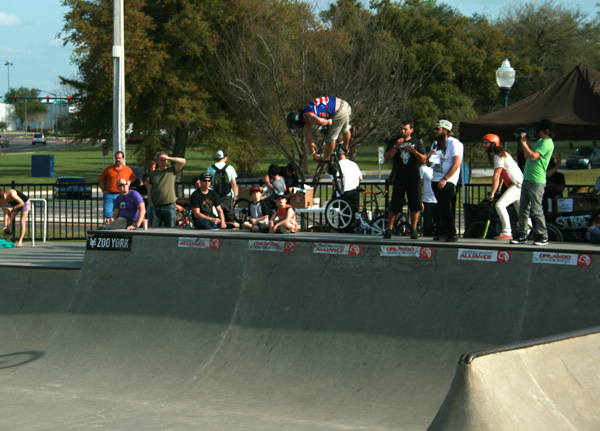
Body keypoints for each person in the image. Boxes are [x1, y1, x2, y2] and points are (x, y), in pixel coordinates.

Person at [510, 119, 555, 245]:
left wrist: (524, 144)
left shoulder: (547, 143)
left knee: (536, 209)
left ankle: (543, 235)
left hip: (537, 180)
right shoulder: (541, 141)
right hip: (528, 178)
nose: (537, 132)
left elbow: (534, 157)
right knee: (523, 208)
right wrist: (526, 145)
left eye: (540, 130)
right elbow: (527, 156)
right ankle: (522, 234)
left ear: (546, 131)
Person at [383, 121, 427, 239]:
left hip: (413, 178)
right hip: (399, 178)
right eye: (401, 129)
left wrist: (413, 151)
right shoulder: (394, 141)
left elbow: (424, 159)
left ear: (411, 130)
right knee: (395, 205)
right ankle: (389, 229)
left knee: (415, 205)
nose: (402, 131)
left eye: (405, 129)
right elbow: (387, 158)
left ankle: (413, 229)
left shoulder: (416, 142)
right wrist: (396, 146)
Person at [482, 133, 524, 240]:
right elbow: (501, 175)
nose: (484, 145)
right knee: (521, 212)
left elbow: (496, 175)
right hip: (518, 185)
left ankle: (506, 232)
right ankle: (528, 232)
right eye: (484, 142)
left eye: (486, 143)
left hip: (516, 185)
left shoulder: (498, 155)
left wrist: (492, 194)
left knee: (500, 205)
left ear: (493, 144)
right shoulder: (500, 154)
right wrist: (498, 189)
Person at [427, 119, 463, 242]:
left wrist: (445, 179)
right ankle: (442, 232)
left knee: (447, 208)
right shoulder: (436, 144)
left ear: (445, 130)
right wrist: (431, 156)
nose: (435, 131)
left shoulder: (454, 143)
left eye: (438, 129)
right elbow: (429, 164)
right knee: (441, 208)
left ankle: (451, 233)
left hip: (447, 181)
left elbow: (457, 163)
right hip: (436, 178)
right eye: (435, 129)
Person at [286, 97, 352, 163]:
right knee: (345, 129)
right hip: (344, 104)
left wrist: (328, 122)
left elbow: (319, 121)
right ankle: (345, 147)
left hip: (338, 111)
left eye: (297, 127)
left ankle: (326, 158)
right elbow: (309, 136)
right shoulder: (306, 113)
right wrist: (313, 152)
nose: (299, 128)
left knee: (331, 138)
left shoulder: (309, 116)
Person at [146, 151, 187, 227]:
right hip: (156, 205)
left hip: (169, 205)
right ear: (157, 161)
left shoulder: (171, 170)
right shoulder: (153, 174)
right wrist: (151, 204)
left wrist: (168, 157)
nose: (163, 162)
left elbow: (183, 161)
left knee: (170, 229)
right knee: (155, 229)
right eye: (161, 160)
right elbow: (149, 190)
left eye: (165, 160)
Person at [98, 151, 137, 223]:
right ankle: (109, 224)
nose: (118, 160)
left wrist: (129, 182)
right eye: (116, 158)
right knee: (108, 211)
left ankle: (117, 225)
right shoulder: (108, 169)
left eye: (119, 158)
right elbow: (101, 180)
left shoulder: (127, 169)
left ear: (123, 159)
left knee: (121, 211)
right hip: (109, 194)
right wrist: (103, 190)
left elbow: (134, 177)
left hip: (121, 195)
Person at [207, 150, 238, 224]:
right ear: (225, 158)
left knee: (217, 214)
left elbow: (208, 183)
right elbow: (234, 184)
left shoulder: (210, 168)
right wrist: (235, 196)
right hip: (227, 195)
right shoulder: (230, 168)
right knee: (229, 214)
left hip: (215, 195)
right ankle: (230, 230)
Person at [333, 147, 363, 214]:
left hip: (343, 193)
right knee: (354, 213)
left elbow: (334, 182)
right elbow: (360, 178)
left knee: (344, 215)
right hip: (355, 191)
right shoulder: (353, 164)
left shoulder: (336, 165)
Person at [420, 164, 442, 237]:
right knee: (427, 223)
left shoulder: (441, 167)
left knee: (440, 223)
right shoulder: (423, 168)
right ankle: (426, 239)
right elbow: (420, 185)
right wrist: (420, 200)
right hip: (427, 200)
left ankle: (440, 237)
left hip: (439, 200)